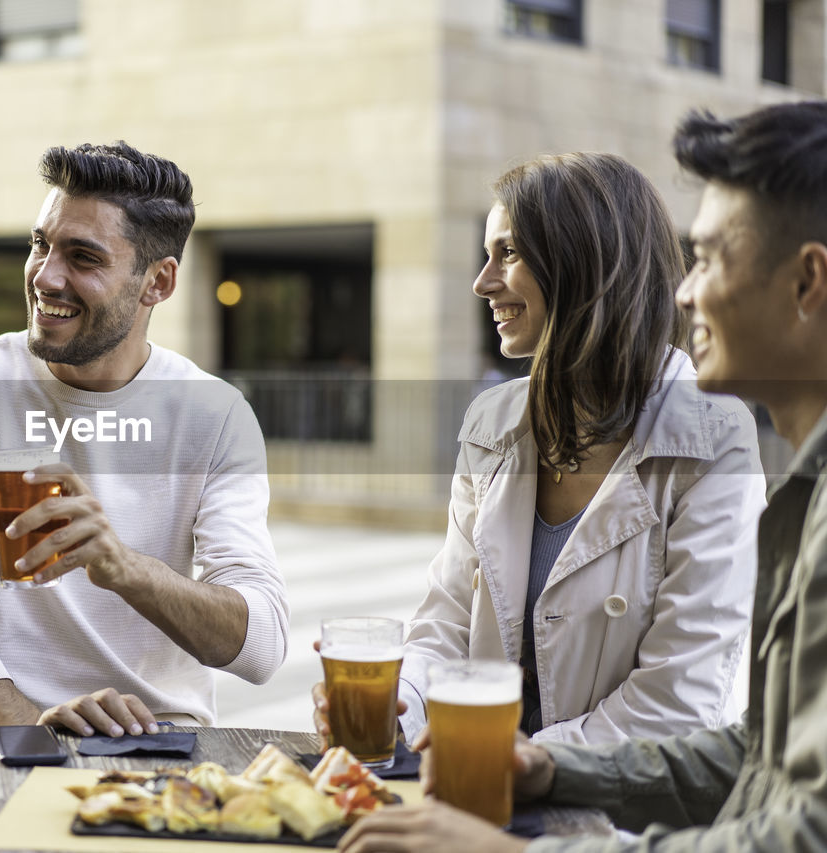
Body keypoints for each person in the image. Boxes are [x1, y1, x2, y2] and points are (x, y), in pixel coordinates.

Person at [339, 98, 827, 853]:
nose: (686, 291)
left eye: (708, 260)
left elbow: (772, 799)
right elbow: (762, 758)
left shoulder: (723, 441)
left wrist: (532, 827)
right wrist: (517, 752)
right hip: (499, 794)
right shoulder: (805, 488)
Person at [317, 152, 766, 748]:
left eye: (508, 253)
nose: (483, 282)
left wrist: (517, 761)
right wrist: (402, 708)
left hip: (615, 825)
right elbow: (446, 624)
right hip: (474, 789)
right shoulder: (492, 422)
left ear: (583, 263)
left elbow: (677, 704)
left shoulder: (715, 438)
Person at [0, 141, 289, 739]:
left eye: (83, 257)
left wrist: (123, 567)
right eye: (40, 245)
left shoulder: (218, 413)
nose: (45, 276)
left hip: (155, 747)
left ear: (158, 282)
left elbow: (261, 647)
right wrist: (31, 731)